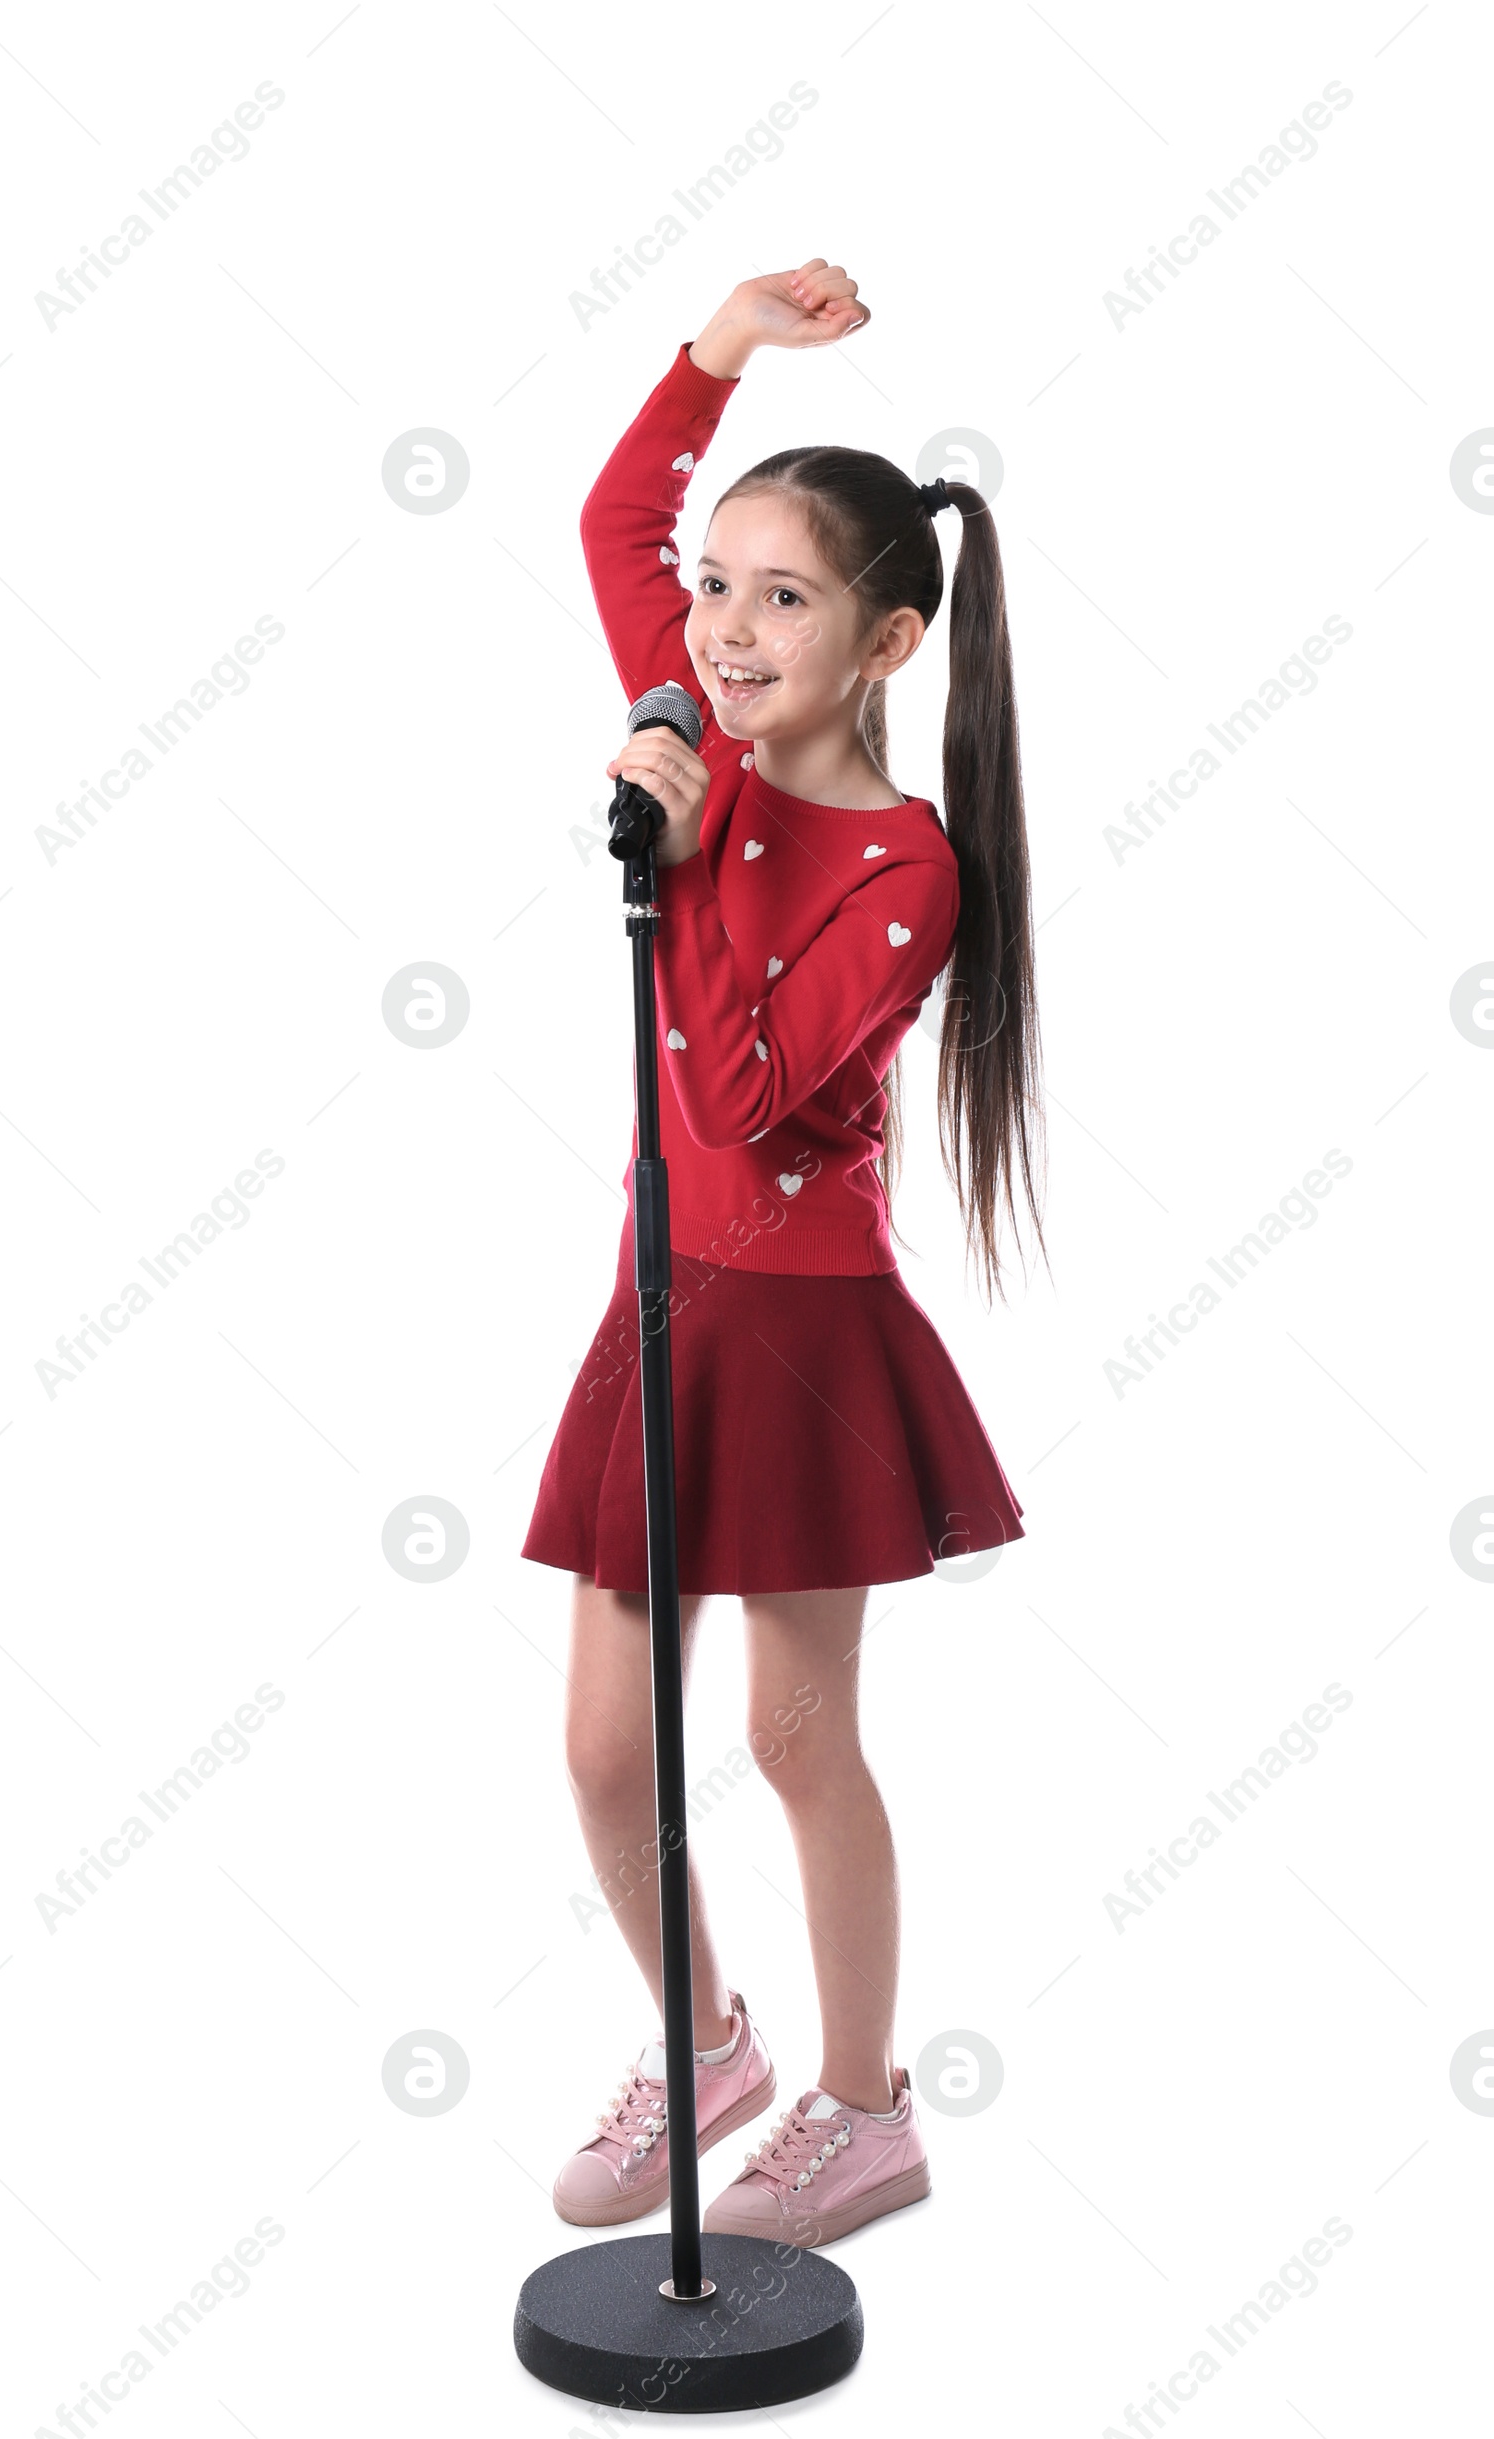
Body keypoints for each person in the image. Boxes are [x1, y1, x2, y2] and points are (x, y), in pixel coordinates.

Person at [521, 259, 1046, 2248]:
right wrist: (716, 351)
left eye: (781, 599)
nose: (720, 632)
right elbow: (607, 524)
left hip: (807, 1320)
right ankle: (704, 2038)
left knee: (787, 1730)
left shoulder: (907, 865)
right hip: (657, 1296)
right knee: (596, 1743)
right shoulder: (704, 730)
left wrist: (677, 866)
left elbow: (746, 1100)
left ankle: (858, 2105)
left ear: (886, 638)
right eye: (713, 588)